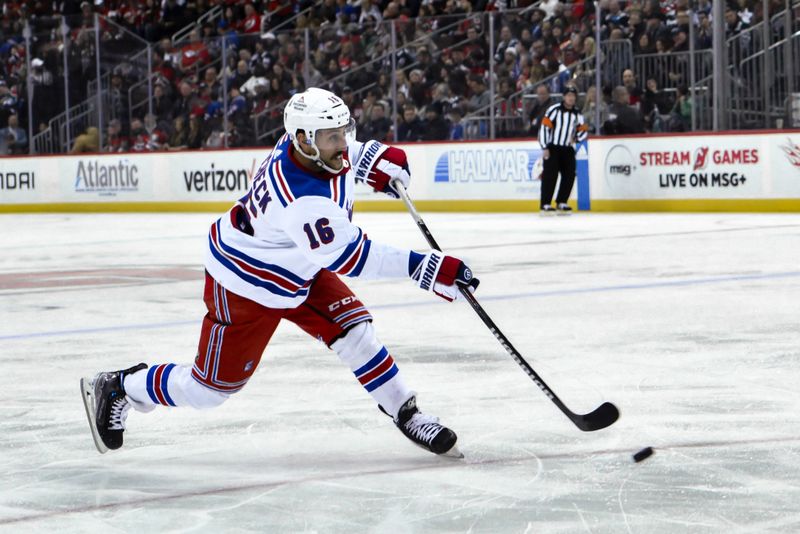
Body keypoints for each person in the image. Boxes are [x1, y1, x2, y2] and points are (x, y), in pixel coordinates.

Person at [81, 87, 479, 458]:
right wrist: (428, 268)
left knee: (356, 332)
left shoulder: (304, 145)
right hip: (246, 283)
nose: (342, 144)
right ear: (305, 140)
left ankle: (405, 412)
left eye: (344, 133)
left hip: (298, 268)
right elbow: (353, 258)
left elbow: (344, 151)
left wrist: (373, 158)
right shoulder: (300, 197)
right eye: (332, 138)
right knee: (209, 390)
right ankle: (120, 387)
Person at [537, 86, 588, 215]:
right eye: (569, 95)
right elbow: (544, 128)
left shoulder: (577, 113)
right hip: (553, 148)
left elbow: (583, 130)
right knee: (550, 176)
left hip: (568, 149)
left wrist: (576, 138)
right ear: (564, 97)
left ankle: (561, 202)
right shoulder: (554, 110)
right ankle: (545, 204)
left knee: (569, 175)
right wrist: (545, 147)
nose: (571, 98)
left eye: (573, 96)